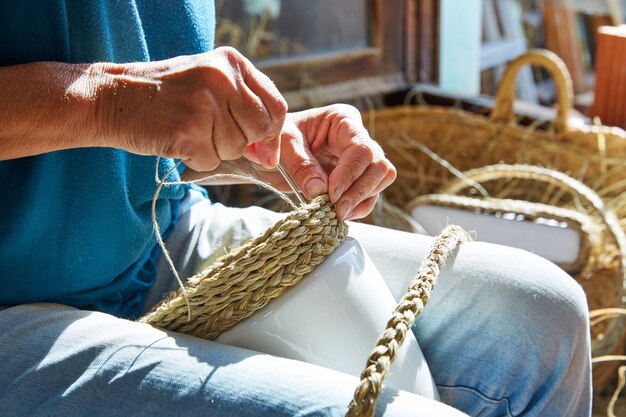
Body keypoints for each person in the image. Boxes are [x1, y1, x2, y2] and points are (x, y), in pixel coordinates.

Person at [0, 1, 592, 416]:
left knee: (545, 318)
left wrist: (261, 145)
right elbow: (127, 97)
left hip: (162, 237)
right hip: (13, 306)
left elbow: (135, 146)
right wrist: (113, 102)